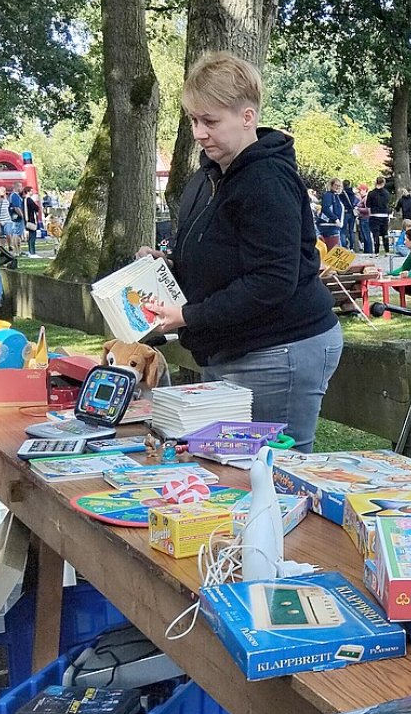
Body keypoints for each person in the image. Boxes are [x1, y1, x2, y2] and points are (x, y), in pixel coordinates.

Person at [143, 52, 342, 452]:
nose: (199, 132)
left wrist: (187, 315)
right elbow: (220, 253)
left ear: (247, 116)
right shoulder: (207, 175)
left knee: (272, 471)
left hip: (278, 347)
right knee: (227, 468)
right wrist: (168, 265)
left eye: (211, 121)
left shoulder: (267, 180)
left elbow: (272, 279)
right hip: (232, 345)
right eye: (194, 120)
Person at [367, 176, 392, 255]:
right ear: (383, 183)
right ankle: (387, 251)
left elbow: (368, 205)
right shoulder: (386, 193)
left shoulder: (371, 193)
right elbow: (388, 203)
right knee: (385, 233)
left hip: (374, 215)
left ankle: (376, 252)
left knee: (376, 234)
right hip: (384, 214)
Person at [317, 179, 344, 249]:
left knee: (334, 252)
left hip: (333, 226)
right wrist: (336, 219)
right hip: (329, 226)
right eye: (336, 185)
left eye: (339, 186)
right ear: (331, 185)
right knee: (334, 252)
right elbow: (326, 208)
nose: (338, 187)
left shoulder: (335, 196)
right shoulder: (328, 195)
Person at [340, 179, 358, 253]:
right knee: (351, 230)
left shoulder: (342, 194)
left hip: (345, 212)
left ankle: (344, 246)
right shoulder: (352, 193)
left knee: (343, 230)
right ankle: (351, 247)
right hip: (352, 213)